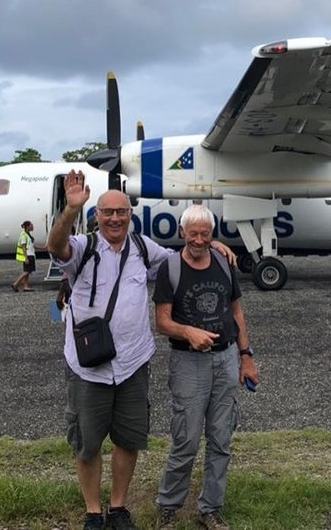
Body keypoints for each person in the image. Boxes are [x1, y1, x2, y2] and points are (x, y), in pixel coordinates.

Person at [46, 170, 234, 530]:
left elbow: (185, 257)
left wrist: (213, 246)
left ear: (130, 215)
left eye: (121, 212)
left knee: (128, 439)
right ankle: (92, 511)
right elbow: (56, 247)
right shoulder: (83, 248)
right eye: (107, 212)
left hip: (132, 364)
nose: (115, 218)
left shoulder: (144, 249)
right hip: (88, 366)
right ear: (96, 216)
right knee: (86, 444)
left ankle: (118, 507)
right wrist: (70, 210)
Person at [153, 205, 259, 530]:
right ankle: (168, 506)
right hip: (188, 362)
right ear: (182, 233)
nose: (198, 240)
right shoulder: (170, 269)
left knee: (221, 439)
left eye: (205, 234)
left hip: (226, 359)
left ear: (212, 235)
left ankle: (210, 508)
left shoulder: (225, 265)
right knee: (185, 439)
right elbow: (161, 322)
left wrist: (246, 356)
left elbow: (237, 313)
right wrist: (188, 332)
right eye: (193, 233)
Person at [11, 220, 36, 292]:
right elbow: (23, 247)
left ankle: (26, 286)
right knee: (27, 271)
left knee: (27, 271)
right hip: (28, 255)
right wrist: (26, 257)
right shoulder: (23, 235)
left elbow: (32, 246)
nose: (33, 226)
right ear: (27, 227)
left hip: (31, 254)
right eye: (31, 225)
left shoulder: (28, 234)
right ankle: (16, 283)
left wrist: (43, 248)